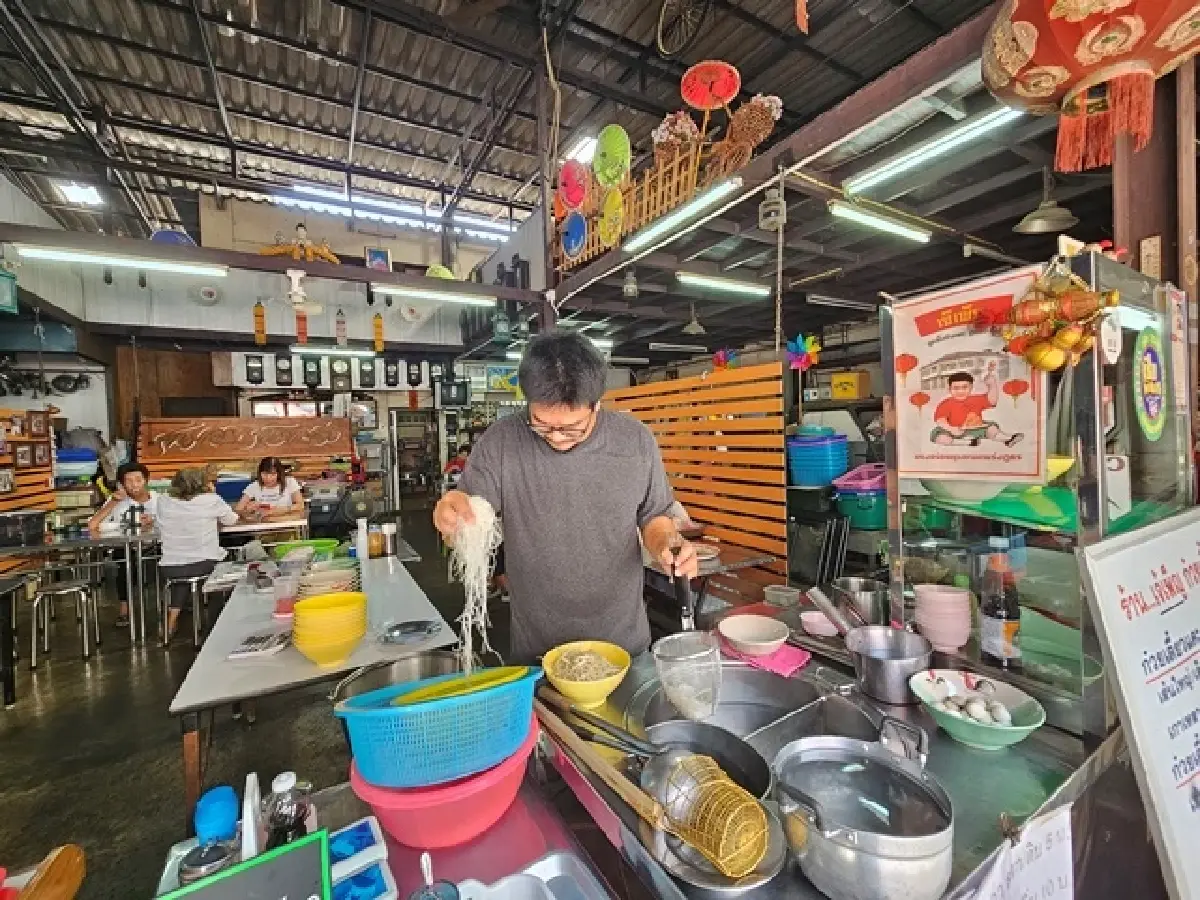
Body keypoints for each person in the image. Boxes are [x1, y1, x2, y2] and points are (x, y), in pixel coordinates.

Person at [433, 331, 699, 663]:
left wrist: (666, 545)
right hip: (538, 646)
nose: (557, 437)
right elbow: (466, 507)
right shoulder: (501, 442)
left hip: (621, 640)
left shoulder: (635, 441)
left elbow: (655, 517)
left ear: (597, 405)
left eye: (572, 427)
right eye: (542, 425)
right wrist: (450, 513)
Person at [156, 468, 240, 640]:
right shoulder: (211, 500)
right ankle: (226, 617)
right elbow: (231, 520)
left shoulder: (164, 500)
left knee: (183, 577)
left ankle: (171, 620)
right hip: (204, 563)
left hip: (170, 567)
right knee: (231, 556)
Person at [88, 462, 158, 628]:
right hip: (129, 547)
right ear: (122, 484)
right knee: (125, 564)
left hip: (156, 546)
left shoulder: (159, 500)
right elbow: (92, 525)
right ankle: (124, 610)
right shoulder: (117, 501)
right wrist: (113, 502)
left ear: (146, 480)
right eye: (129, 481)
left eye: (138, 480)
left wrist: (153, 521)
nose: (134, 485)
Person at [931, 362, 1024, 447]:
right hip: (951, 430)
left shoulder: (975, 399)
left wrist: (992, 385)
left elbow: (992, 401)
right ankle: (967, 442)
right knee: (940, 437)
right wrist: (951, 429)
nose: (960, 391)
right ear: (949, 389)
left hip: (975, 428)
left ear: (971, 387)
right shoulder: (946, 403)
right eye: (956, 388)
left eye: (964, 387)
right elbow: (940, 420)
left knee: (991, 428)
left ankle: (1007, 439)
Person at [235, 457, 304, 519]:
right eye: (265, 474)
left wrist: (279, 510)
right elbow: (238, 510)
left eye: (273, 474)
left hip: (287, 524)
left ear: (279, 474)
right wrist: (248, 510)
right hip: (263, 526)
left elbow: (300, 505)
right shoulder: (254, 486)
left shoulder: (290, 482)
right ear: (260, 473)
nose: (268, 478)